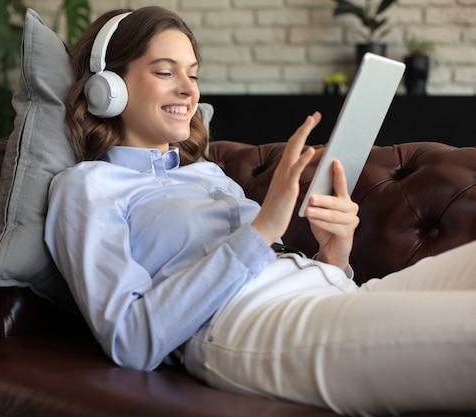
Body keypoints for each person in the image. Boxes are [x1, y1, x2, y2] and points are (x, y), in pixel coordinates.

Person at [44, 6, 476, 416]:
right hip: (246, 326)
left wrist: (334, 255)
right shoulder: (87, 186)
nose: (188, 89)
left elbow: (273, 263)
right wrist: (262, 228)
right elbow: (131, 340)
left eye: (193, 75)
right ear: (108, 88)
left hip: (330, 293)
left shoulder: (208, 175)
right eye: (164, 72)